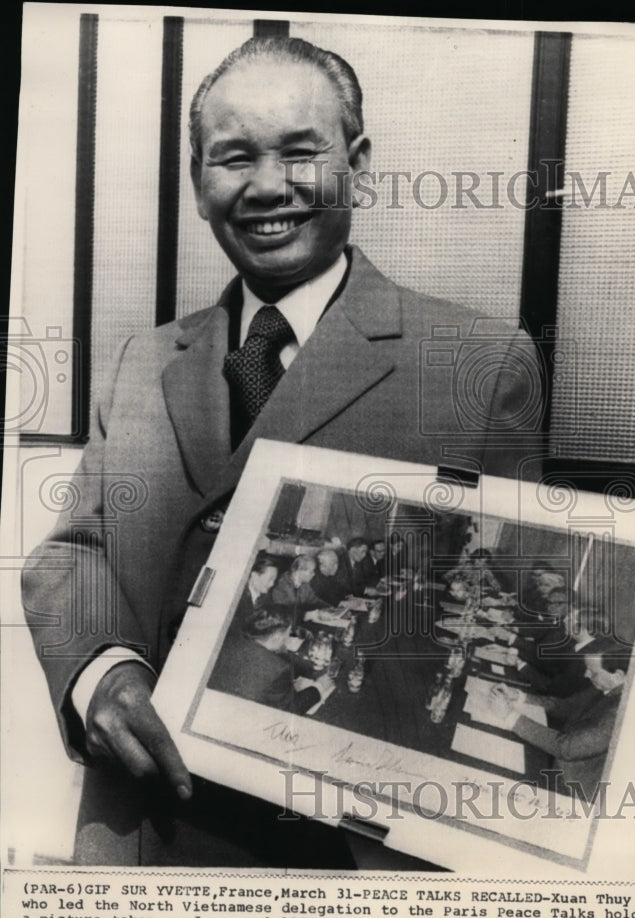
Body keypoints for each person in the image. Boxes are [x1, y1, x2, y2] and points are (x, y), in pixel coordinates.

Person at [21, 35, 543, 866]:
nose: (267, 187)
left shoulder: (477, 365)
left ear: (359, 163)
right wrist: (103, 670)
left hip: (348, 865)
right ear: (197, 183)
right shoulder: (140, 361)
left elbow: (504, 615)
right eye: (232, 159)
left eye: (302, 153)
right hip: (140, 841)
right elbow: (74, 553)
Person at [489, 650, 629, 802]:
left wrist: (509, 716)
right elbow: (563, 707)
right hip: (555, 760)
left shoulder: (620, 713)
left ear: (617, 676)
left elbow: (567, 747)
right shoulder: (605, 686)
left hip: (567, 788)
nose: (586, 675)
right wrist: (520, 696)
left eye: (593, 672)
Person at [207, 607, 334, 713]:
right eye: (287, 634)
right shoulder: (279, 670)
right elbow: (290, 709)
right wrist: (318, 687)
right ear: (277, 637)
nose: (287, 638)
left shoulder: (229, 641)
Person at [233, 552, 279, 624]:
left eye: (274, 580)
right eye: (270, 579)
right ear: (254, 576)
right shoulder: (237, 597)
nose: (272, 584)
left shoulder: (267, 598)